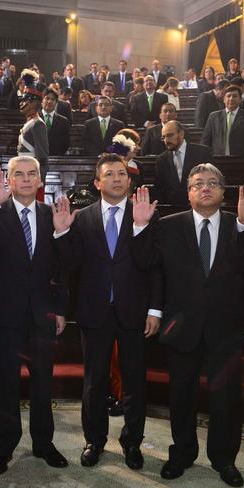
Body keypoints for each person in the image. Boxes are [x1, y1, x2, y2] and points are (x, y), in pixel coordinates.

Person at [130, 173, 244, 485]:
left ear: (223, 191)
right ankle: (182, 453)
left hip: (227, 327)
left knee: (226, 399)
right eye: (197, 184)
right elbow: (149, 265)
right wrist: (140, 227)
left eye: (212, 183)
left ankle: (224, 459)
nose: (204, 188)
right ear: (188, 193)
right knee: (181, 396)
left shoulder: (241, 222)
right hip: (182, 327)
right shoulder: (168, 225)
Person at [52, 153, 161, 469]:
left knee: (134, 381)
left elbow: (153, 267)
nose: (116, 178)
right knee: (94, 381)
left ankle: (132, 443)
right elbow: (70, 266)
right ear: (98, 183)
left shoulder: (146, 214)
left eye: (121, 174)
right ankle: (94, 441)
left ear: (129, 181)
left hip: (134, 311)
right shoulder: (82, 218)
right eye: (109, 174)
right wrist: (60, 234)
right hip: (94, 311)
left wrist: (155, 310)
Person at [0, 160, 69, 475]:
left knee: (43, 382)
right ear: (8, 180)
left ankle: (44, 443)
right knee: (5, 383)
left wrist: (62, 309)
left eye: (31, 174)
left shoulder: (53, 215)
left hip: (42, 314)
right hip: (4, 314)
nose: (25, 179)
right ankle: (4, 446)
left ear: (40, 180)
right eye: (18, 174)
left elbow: (65, 267)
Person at [152, 120, 213, 207]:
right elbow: (159, 189)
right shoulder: (161, 159)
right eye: (163, 137)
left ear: (181, 134)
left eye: (169, 135)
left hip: (199, 206)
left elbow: (211, 182)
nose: (166, 140)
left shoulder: (202, 153)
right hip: (172, 210)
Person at [16, 70, 50, 197]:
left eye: (25, 100)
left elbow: (42, 157)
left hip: (33, 176)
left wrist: (39, 179)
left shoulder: (37, 124)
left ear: (34, 103)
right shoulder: (30, 122)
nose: (21, 103)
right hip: (26, 171)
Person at [200, 84, 244, 156]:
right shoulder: (213, 117)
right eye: (228, 96)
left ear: (240, 99)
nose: (231, 99)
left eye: (235, 96)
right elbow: (205, 141)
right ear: (224, 99)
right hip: (218, 159)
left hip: (241, 160)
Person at [42, 89, 71, 156]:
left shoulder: (63, 121)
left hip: (56, 158)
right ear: (42, 100)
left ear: (56, 103)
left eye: (53, 99)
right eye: (47, 98)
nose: (49, 101)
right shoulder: (34, 118)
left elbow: (66, 143)